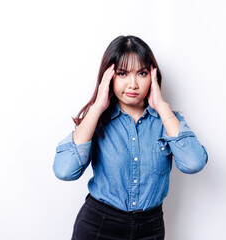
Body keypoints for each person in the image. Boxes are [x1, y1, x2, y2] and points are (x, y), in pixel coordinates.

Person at [52, 35, 208, 240]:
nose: (133, 84)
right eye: (123, 73)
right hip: (99, 226)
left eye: (142, 73)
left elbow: (194, 163)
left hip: (149, 229)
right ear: (109, 77)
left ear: (152, 77)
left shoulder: (168, 121)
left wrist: (161, 106)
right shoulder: (97, 120)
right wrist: (97, 106)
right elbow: (64, 171)